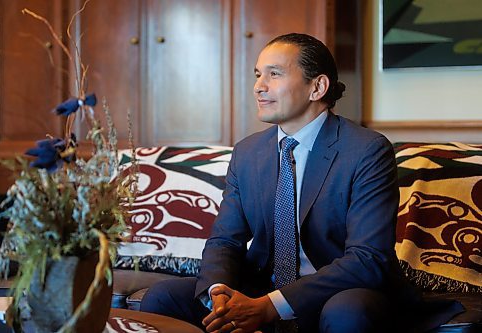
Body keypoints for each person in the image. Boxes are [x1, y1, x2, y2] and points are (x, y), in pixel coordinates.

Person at [140, 33, 462, 333]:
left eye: (274, 74)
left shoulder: (366, 150)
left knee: (347, 311)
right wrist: (219, 294)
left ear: (317, 87)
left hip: (340, 291)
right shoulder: (248, 152)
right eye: (257, 75)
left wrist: (270, 307)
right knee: (162, 297)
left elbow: (368, 259)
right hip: (263, 284)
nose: (258, 86)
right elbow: (225, 240)